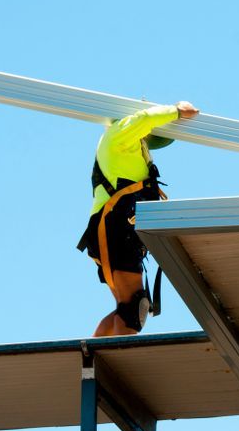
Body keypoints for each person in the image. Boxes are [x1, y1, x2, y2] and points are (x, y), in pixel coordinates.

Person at [77, 101, 200, 336]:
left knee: (129, 307)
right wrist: (176, 111)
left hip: (116, 229)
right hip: (113, 229)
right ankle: (110, 360)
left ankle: (90, 359)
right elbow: (143, 118)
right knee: (133, 308)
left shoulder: (122, 146)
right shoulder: (119, 134)